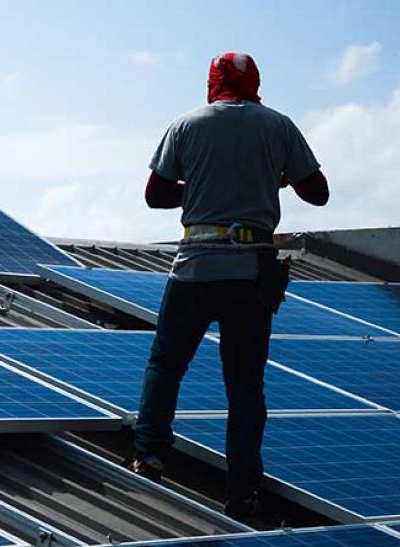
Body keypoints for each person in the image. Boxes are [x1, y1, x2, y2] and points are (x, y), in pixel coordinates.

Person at [126, 52, 329, 521]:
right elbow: (317, 192)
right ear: (256, 83)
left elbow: (156, 195)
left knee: (167, 364)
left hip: (195, 268)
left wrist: (199, 187)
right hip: (250, 274)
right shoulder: (279, 126)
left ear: (212, 83)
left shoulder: (186, 125)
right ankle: (241, 490)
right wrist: (269, 181)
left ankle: (150, 453)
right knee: (244, 387)